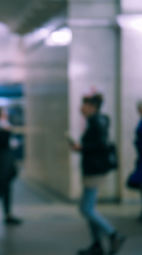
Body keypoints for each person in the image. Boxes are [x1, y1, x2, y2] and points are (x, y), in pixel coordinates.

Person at [70, 94, 125, 255]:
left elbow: (100, 144)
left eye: (84, 105)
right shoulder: (97, 120)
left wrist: (82, 148)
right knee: (89, 208)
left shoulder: (96, 121)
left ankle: (113, 234)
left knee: (85, 209)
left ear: (92, 107)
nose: (81, 108)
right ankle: (97, 245)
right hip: (92, 169)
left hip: (94, 170)